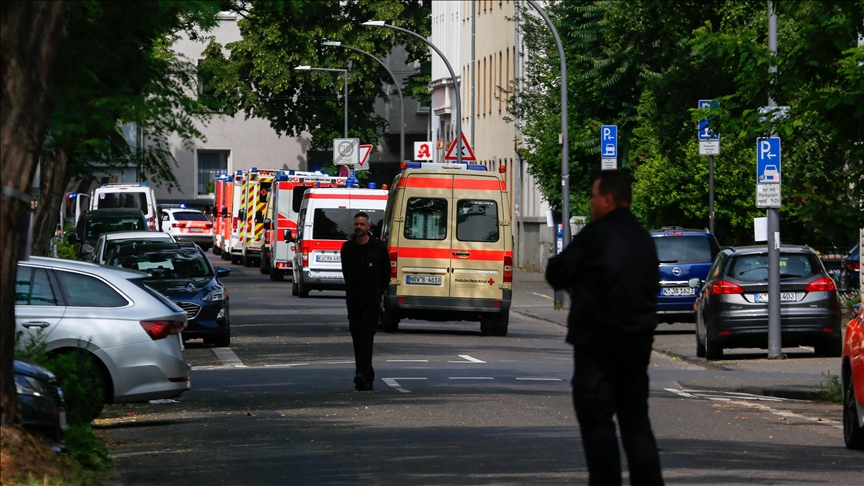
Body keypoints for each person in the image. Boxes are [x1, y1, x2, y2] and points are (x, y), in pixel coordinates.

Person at [545, 170, 664, 486]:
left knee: (598, 425)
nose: (591, 202)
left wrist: (579, 285)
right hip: (636, 348)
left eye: (594, 196)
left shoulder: (596, 236)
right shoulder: (644, 239)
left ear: (608, 200)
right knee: (636, 424)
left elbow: (556, 272)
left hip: (596, 348)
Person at [340, 211, 390, 391]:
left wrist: (376, 293)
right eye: (356, 224)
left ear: (369, 226)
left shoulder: (378, 247)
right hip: (354, 300)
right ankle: (366, 375)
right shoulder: (347, 248)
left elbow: (386, 275)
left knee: (366, 338)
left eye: (362, 224)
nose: (359, 227)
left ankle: (362, 375)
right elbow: (346, 273)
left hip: (371, 300)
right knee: (357, 336)